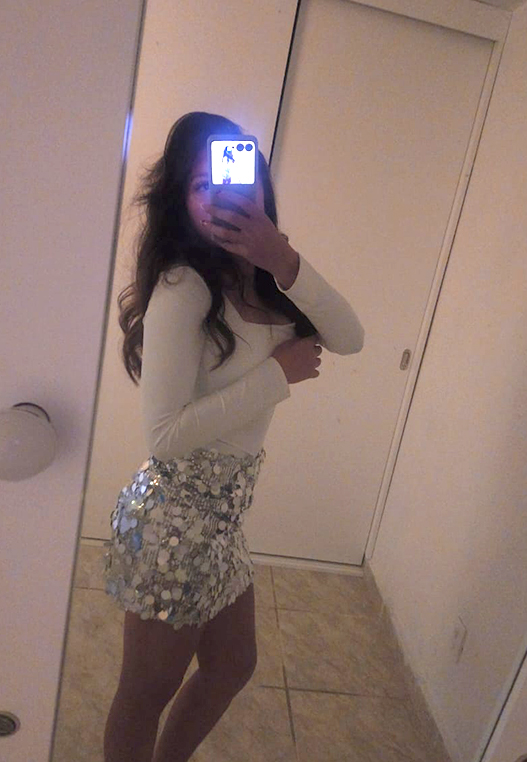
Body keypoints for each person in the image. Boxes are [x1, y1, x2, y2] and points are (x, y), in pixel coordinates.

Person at [102, 111, 364, 762]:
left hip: (220, 520)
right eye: (200, 185)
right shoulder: (182, 286)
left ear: (259, 187)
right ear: (179, 201)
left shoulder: (269, 278)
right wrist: (277, 374)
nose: (220, 195)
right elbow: (165, 436)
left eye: (232, 178)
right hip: (173, 522)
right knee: (146, 691)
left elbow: (350, 337)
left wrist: (283, 258)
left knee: (231, 665)